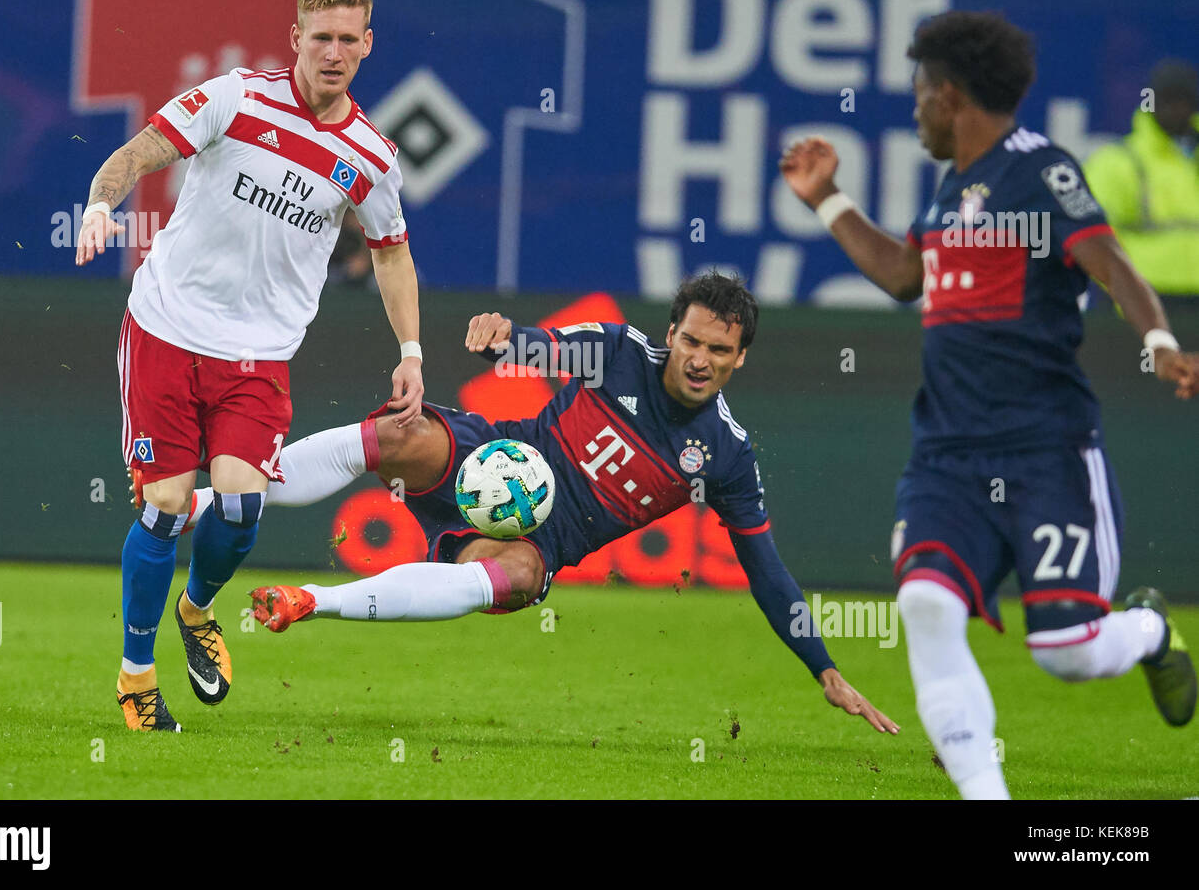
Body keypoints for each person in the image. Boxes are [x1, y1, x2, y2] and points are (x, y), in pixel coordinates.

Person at [779, 10, 1199, 799]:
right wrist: (827, 198)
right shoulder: (954, 190)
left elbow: (1110, 261)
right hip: (948, 457)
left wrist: (1158, 342)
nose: (914, 111)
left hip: (1046, 449)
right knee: (925, 604)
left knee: (1066, 650)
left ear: (949, 95)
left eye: (919, 93)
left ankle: (1149, 630)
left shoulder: (1041, 171)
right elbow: (905, 275)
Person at [197, 272, 900, 733]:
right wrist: (501, 341)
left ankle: (312, 601)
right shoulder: (620, 353)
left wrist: (825, 668)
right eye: (690, 339)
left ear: (739, 357)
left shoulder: (726, 454)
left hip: (533, 542)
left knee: (516, 576)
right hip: (488, 459)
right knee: (401, 431)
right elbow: (535, 348)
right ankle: (198, 503)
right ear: (671, 333)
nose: (698, 358)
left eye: (719, 349)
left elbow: (767, 570)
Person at [76, 0, 424, 731]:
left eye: (348, 39)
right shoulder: (233, 98)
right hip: (167, 329)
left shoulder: (370, 156)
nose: (333, 53)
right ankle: (136, 676)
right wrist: (101, 205)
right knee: (166, 506)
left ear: (367, 45)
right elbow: (139, 152)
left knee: (240, 507)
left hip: (259, 355)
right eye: (320, 37)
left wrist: (412, 350)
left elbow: (392, 252)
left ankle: (197, 609)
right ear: (295, 37)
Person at [1084, 59, 1199, 296]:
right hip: (1143, 296)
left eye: (1183, 99)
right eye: (1167, 99)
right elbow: (1091, 238)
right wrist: (1122, 291)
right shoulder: (1118, 162)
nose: (1176, 108)